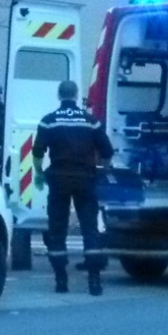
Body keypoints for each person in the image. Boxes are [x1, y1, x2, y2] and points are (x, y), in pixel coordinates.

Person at [32, 80, 114, 296]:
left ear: (59, 96)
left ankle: (61, 281)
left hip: (58, 180)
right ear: (76, 95)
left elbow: (38, 152)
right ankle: (94, 282)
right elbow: (107, 151)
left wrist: (39, 174)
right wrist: (101, 172)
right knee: (90, 229)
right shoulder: (90, 121)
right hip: (86, 179)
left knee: (57, 229)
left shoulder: (48, 121)